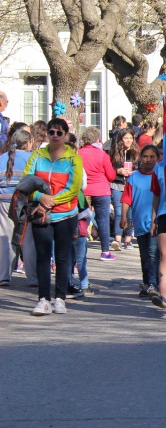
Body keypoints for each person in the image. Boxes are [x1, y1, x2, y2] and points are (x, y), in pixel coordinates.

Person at [25, 118, 83, 316]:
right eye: (52, 132)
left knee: (62, 256)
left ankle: (60, 298)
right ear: (47, 134)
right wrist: (40, 198)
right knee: (42, 256)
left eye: (59, 133)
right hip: (40, 213)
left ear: (66, 135)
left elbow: (73, 188)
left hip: (65, 214)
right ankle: (43, 299)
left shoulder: (74, 158)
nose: (55, 136)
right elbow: (27, 182)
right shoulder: (37, 155)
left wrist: (50, 201)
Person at [121, 144, 160, 297]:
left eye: (152, 157)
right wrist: (124, 216)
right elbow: (126, 199)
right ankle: (147, 283)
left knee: (152, 253)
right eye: (145, 156)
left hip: (155, 222)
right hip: (140, 221)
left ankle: (153, 283)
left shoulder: (159, 175)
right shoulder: (134, 177)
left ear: (157, 158)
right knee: (144, 255)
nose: (148, 160)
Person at [77, 126, 117, 260]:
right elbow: (111, 175)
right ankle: (105, 251)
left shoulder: (78, 153)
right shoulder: (102, 154)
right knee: (103, 220)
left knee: (82, 220)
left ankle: (80, 252)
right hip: (101, 190)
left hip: (84, 191)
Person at [0, 128, 33, 286]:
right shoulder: (31, 158)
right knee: (28, 240)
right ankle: (33, 277)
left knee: (5, 239)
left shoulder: (3, 158)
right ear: (28, 143)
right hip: (24, 202)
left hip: (4, 201)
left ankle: (4, 276)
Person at [108, 128, 139, 250]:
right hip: (118, 185)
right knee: (119, 212)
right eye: (126, 138)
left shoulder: (136, 152)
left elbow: (141, 168)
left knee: (131, 213)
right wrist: (118, 171)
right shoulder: (113, 152)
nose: (128, 140)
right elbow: (109, 169)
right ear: (121, 139)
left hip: (131, 186)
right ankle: (117, 239)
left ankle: (128, 240)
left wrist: (134, 172)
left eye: (130, 138)